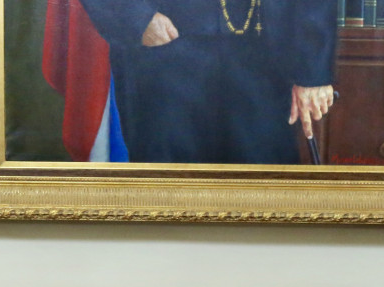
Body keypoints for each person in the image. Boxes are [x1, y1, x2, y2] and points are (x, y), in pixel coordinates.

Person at [77, 0, 337, 164]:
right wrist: (134, 16)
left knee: (262, 198)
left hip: (263, 59)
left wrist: (313, 68)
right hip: (164, 53)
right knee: (167, 197)